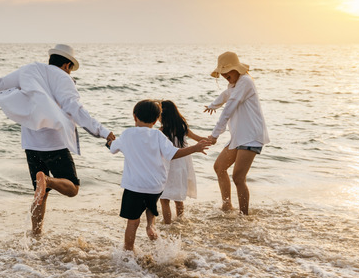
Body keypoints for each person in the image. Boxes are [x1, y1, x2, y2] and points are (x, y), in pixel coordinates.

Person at [0, 44, 115, 235]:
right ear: (67, 65)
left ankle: (36, 237)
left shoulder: (28, 70)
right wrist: (102, 132)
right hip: (55, 144)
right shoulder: (65, 78)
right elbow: (76, 109)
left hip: (30, 144)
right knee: (73, 188)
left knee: (40, 194)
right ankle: (49, 181)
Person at [109, 100, 210, 251]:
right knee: (151, 205)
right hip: (155, 186)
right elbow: (174, 153)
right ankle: (151, 226)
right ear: (156, 120)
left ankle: (128, 251)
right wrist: (195, 148)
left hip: (134, 186)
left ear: (134, 116)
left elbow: (113, 148)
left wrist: (110, 141)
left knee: (133, 222)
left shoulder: (127, 134)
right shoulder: (158, 135)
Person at [204, 51, 270, 215]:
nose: (224, 74)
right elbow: (227, 95)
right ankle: (227, 207)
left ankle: (244, 216)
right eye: (222, 72)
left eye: (227, 71)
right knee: (219, 167)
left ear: (236, 69)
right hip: (239, 136)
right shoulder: (233, 85)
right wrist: (213, 105)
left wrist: (215, 134)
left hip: (251, 136)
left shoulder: (246, 81)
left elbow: (231, 105)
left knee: (238, 177)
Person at [159, 100, 207, 224]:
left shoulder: (161, 131)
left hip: (168, 166)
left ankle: (167, 224)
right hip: (181, 165)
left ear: (163, 115)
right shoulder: (183, 128)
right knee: (178, 197)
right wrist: (211, 139)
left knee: (164, 199)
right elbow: (199, 138)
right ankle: (180, 221)